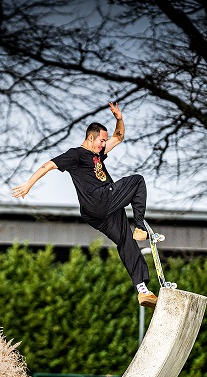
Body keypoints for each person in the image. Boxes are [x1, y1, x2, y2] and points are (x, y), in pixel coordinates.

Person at [12, 102, 157, 308]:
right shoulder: (76, 154)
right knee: (137, 180)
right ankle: (140, 226)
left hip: (99, 213)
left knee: (126, 242)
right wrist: (29, 183)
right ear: (91, 137)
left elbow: (120, 136)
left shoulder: (98, 154)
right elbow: (49, 165)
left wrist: (119, 119)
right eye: (101, 141)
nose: (103, 144)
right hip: (100, 199)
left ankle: (142, 290)